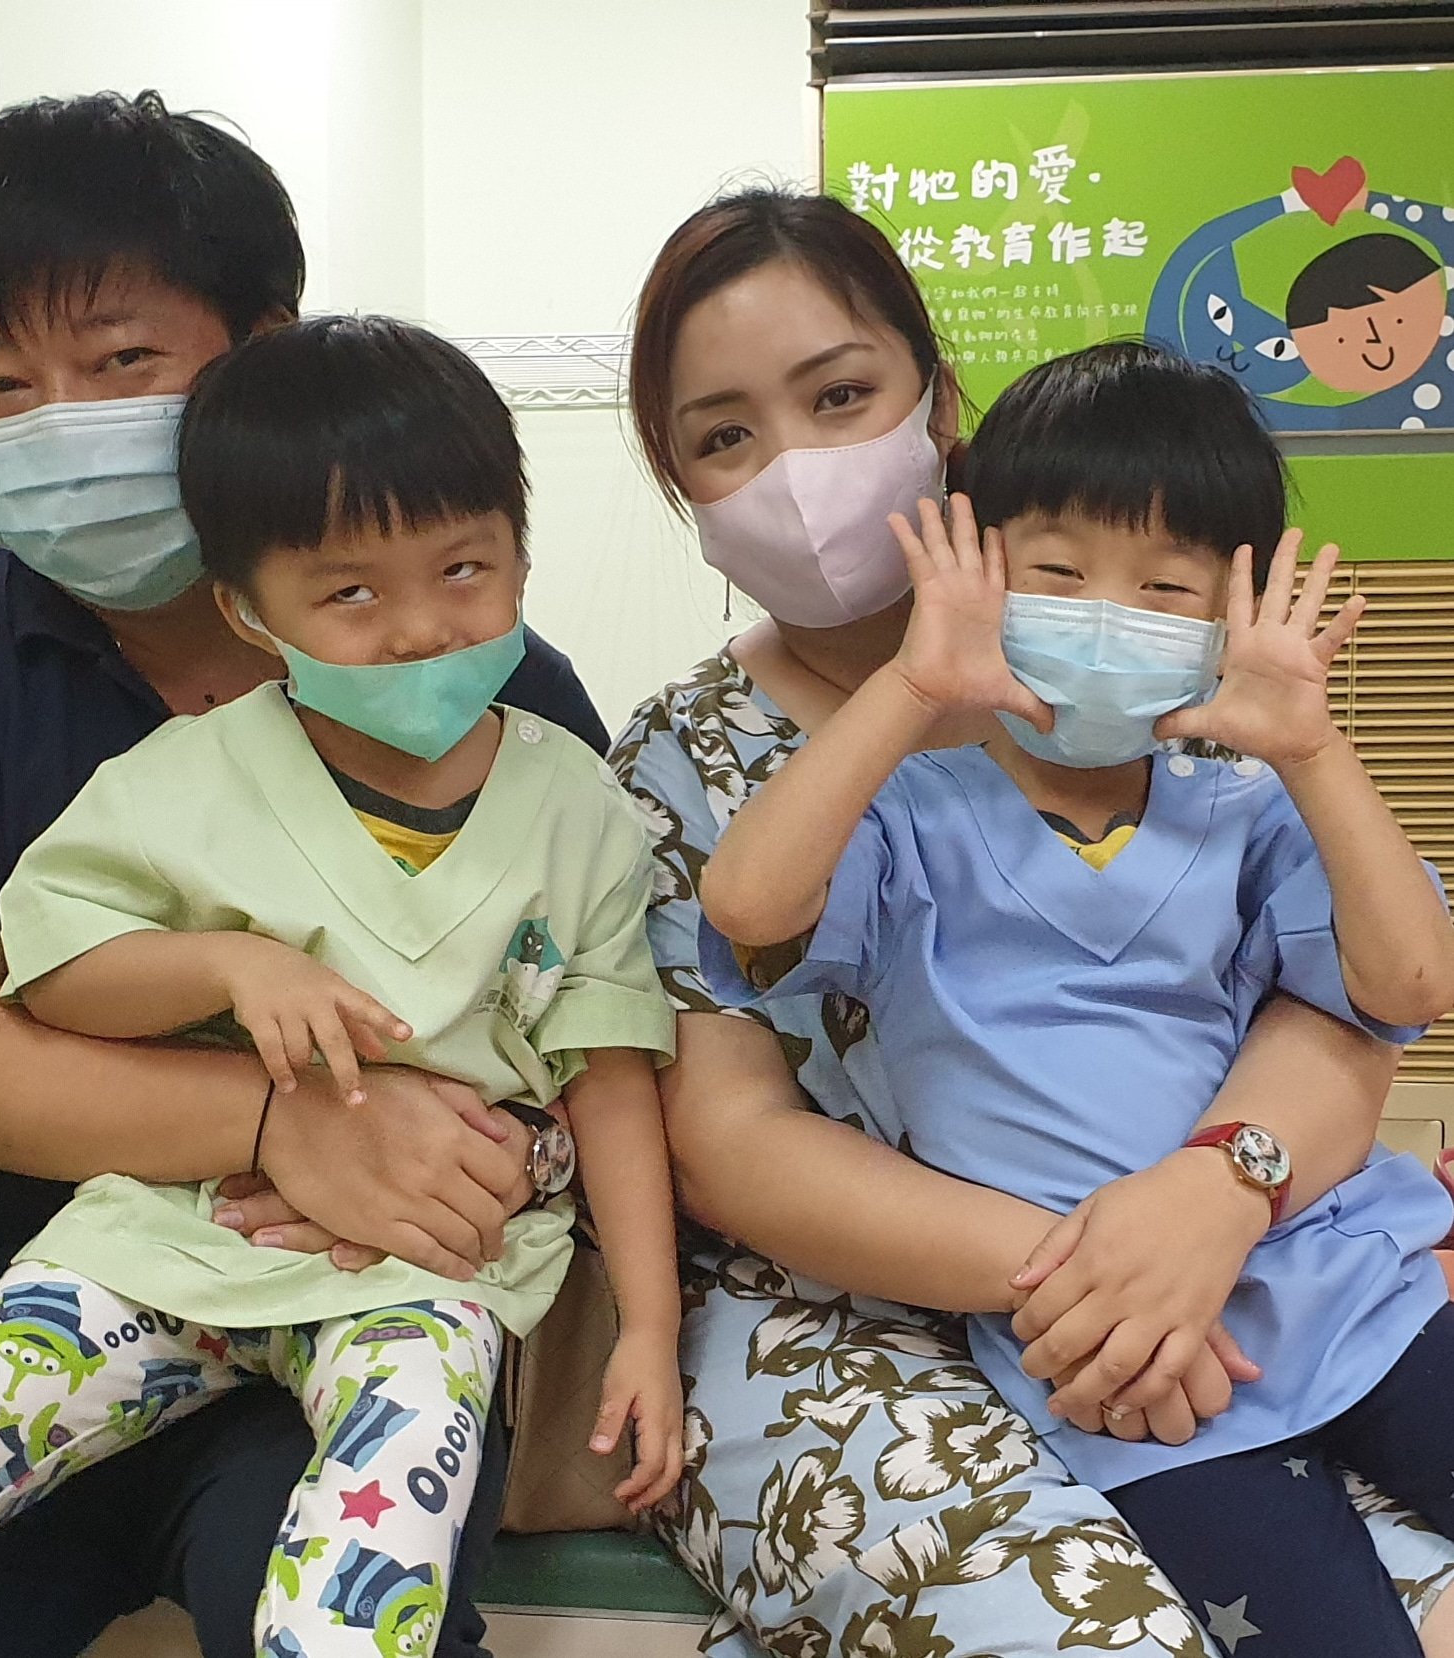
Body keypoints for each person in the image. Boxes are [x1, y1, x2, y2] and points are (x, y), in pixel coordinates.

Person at [0, 93, 609, 1658]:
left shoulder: (478, 690)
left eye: (119, 362)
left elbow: (593, 1018)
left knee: (359, 1615)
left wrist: (518, 1162)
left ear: (264, 354)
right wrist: (281, 1119)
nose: (59, 421)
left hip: (345, 1301)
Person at [608, 187, 1454, 1656]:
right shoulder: (789, 779)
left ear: (939, 408)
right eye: (724, 435)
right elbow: (737, 1061)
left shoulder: (1216, 756)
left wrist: (1210, 1202)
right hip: (988, 1326)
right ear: (676, 478)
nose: (795, 469)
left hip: (1289, 1263)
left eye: (839, 396)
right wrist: (1108, 1279)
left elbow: (1374, 1001)